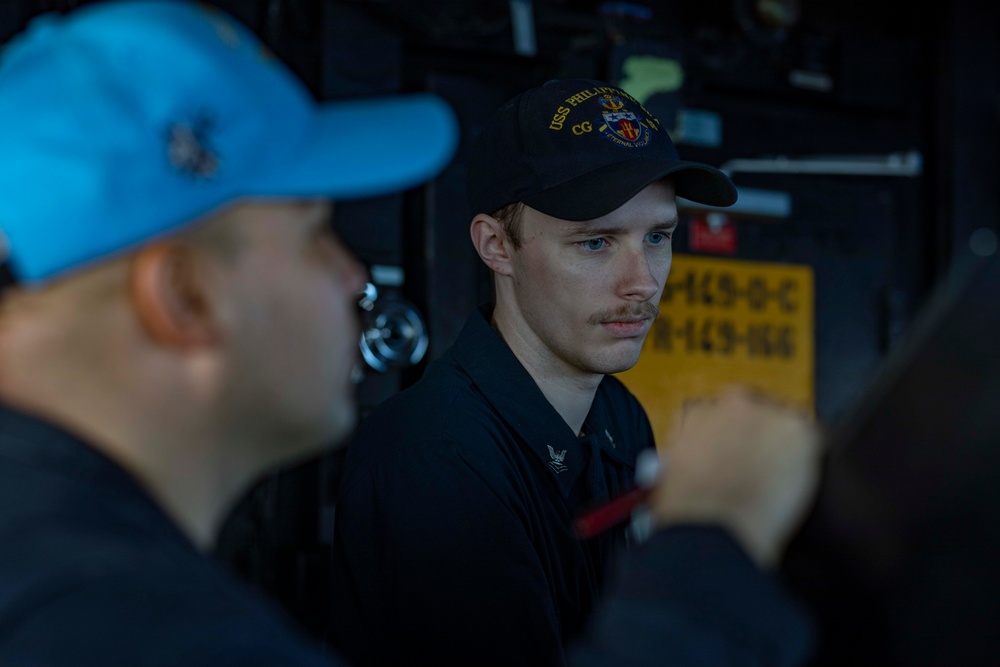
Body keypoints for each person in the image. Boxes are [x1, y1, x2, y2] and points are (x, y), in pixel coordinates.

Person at [0, 3, 821, 666]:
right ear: (183, 294)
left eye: (659, 236)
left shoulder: (86, 569)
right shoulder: (108, 617)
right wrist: (714, 543)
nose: (353, 277)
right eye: (314, 230)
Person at [327, 78, 814, 666]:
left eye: (657, 237)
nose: (643, 281)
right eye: (595, 243)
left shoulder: (618, 415)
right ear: (497, 247)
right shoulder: (433, 456)